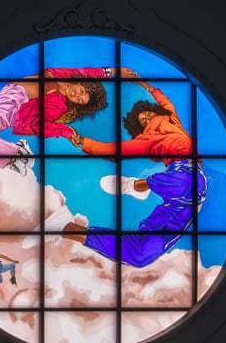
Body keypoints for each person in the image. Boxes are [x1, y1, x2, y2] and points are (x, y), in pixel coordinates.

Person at [60, 68, 204, 268]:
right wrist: (83, 142)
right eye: (143, 121)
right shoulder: (146, 139)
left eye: (147, 114)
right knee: (141, 255)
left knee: (189, 183)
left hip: (188, 173)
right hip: (180, 189)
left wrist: (145, 86)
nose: (147, 119)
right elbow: (114, 149)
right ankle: (73, 231)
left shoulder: (172, 120)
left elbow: (166, 102)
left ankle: (138, 185)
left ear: (155, 111)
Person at [0, 66, 114, 169]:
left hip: (15, 99)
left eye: (80, 100)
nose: (77, 96)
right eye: (81, 91)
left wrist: (65, 131)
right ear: (81, 83)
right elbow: (85, 72)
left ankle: (18, 152)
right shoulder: (63, 76)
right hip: (8, 97)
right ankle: (10, 161)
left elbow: (40, 125)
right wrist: (110, 71)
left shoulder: (59, 104)